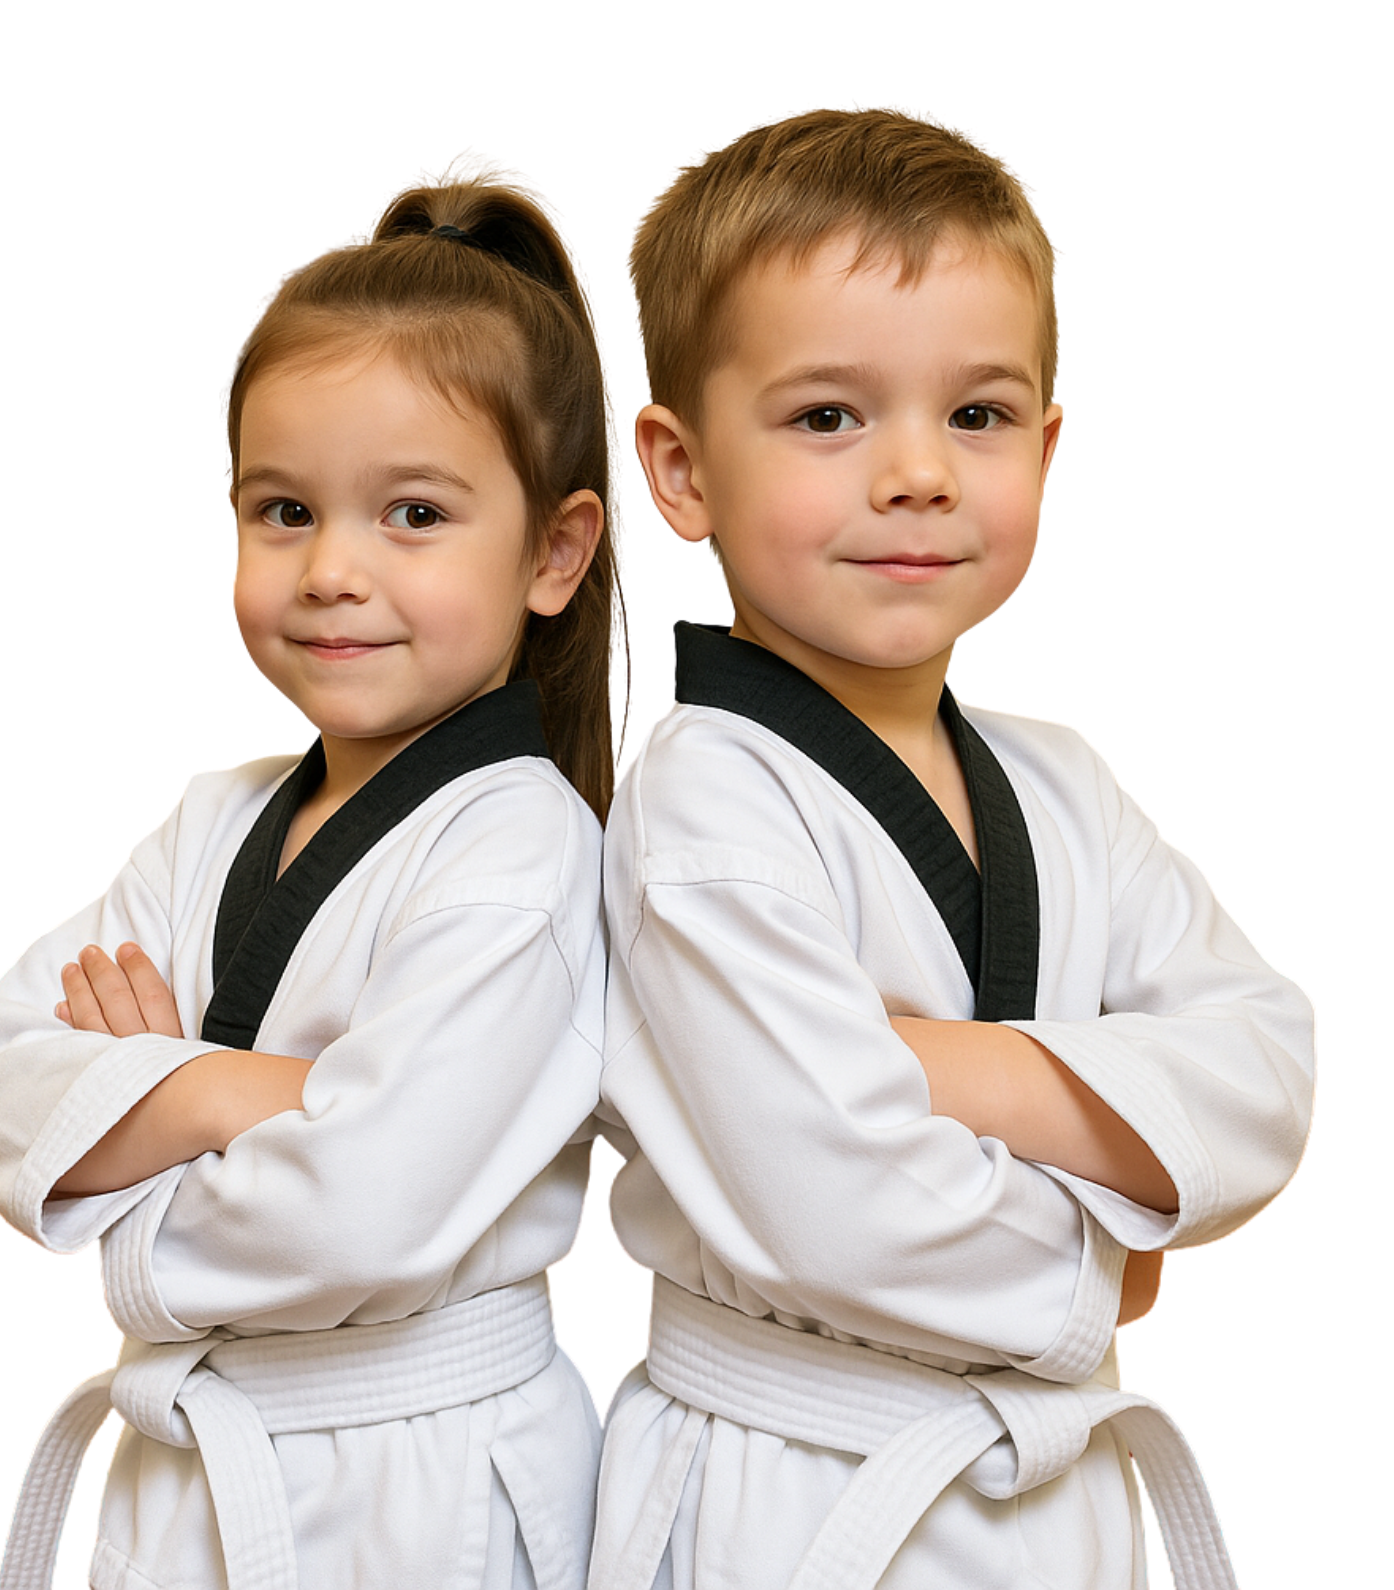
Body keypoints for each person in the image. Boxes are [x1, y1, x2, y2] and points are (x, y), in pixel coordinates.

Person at [589, 106, 1315, 1590]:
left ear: (1046, 446)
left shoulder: (1064, 778)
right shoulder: (703, 797)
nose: (916, 472)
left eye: (975, 415)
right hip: (789, 1498)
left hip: (1054, 1497)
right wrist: (1122, 1254)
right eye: (828, 417)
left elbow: (1267, 1064)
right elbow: (838, 1207)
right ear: (680, 470)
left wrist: (930, 1066)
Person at [0, 149, 624, 1590]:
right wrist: (277, 1096)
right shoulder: (213, 817)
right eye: (285, 510)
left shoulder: (526, 849)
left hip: (426, 1487)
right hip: (194, 1467)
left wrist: (150, 1100)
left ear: (555, 551)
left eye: (416, 513)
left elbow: (361, 1207)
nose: (332, 569)